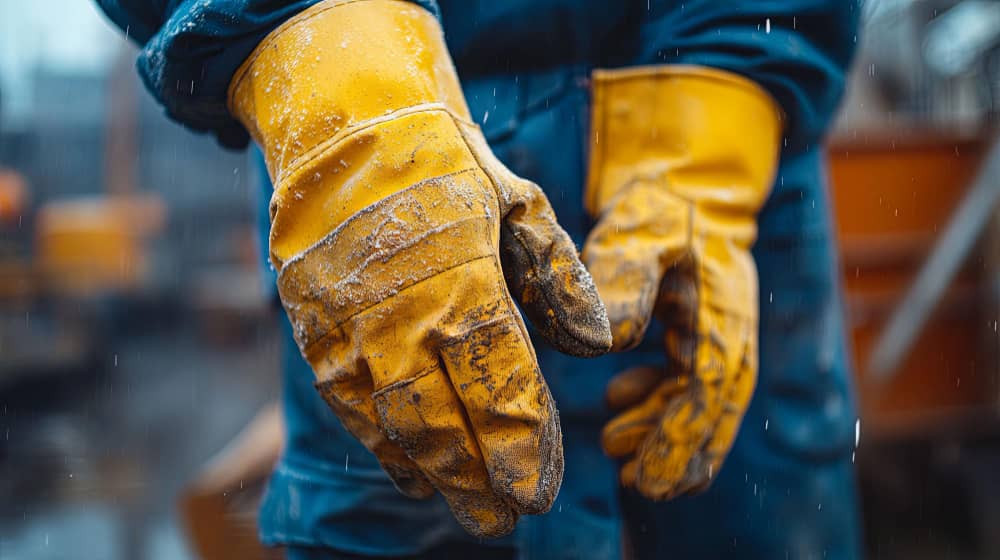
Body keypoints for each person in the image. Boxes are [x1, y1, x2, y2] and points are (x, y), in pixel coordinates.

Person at [96, 1, 863, 558]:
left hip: (731, 112)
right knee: (415, 518)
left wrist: (734, 74)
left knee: (758, 516)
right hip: (380, 142)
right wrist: (309, 33)